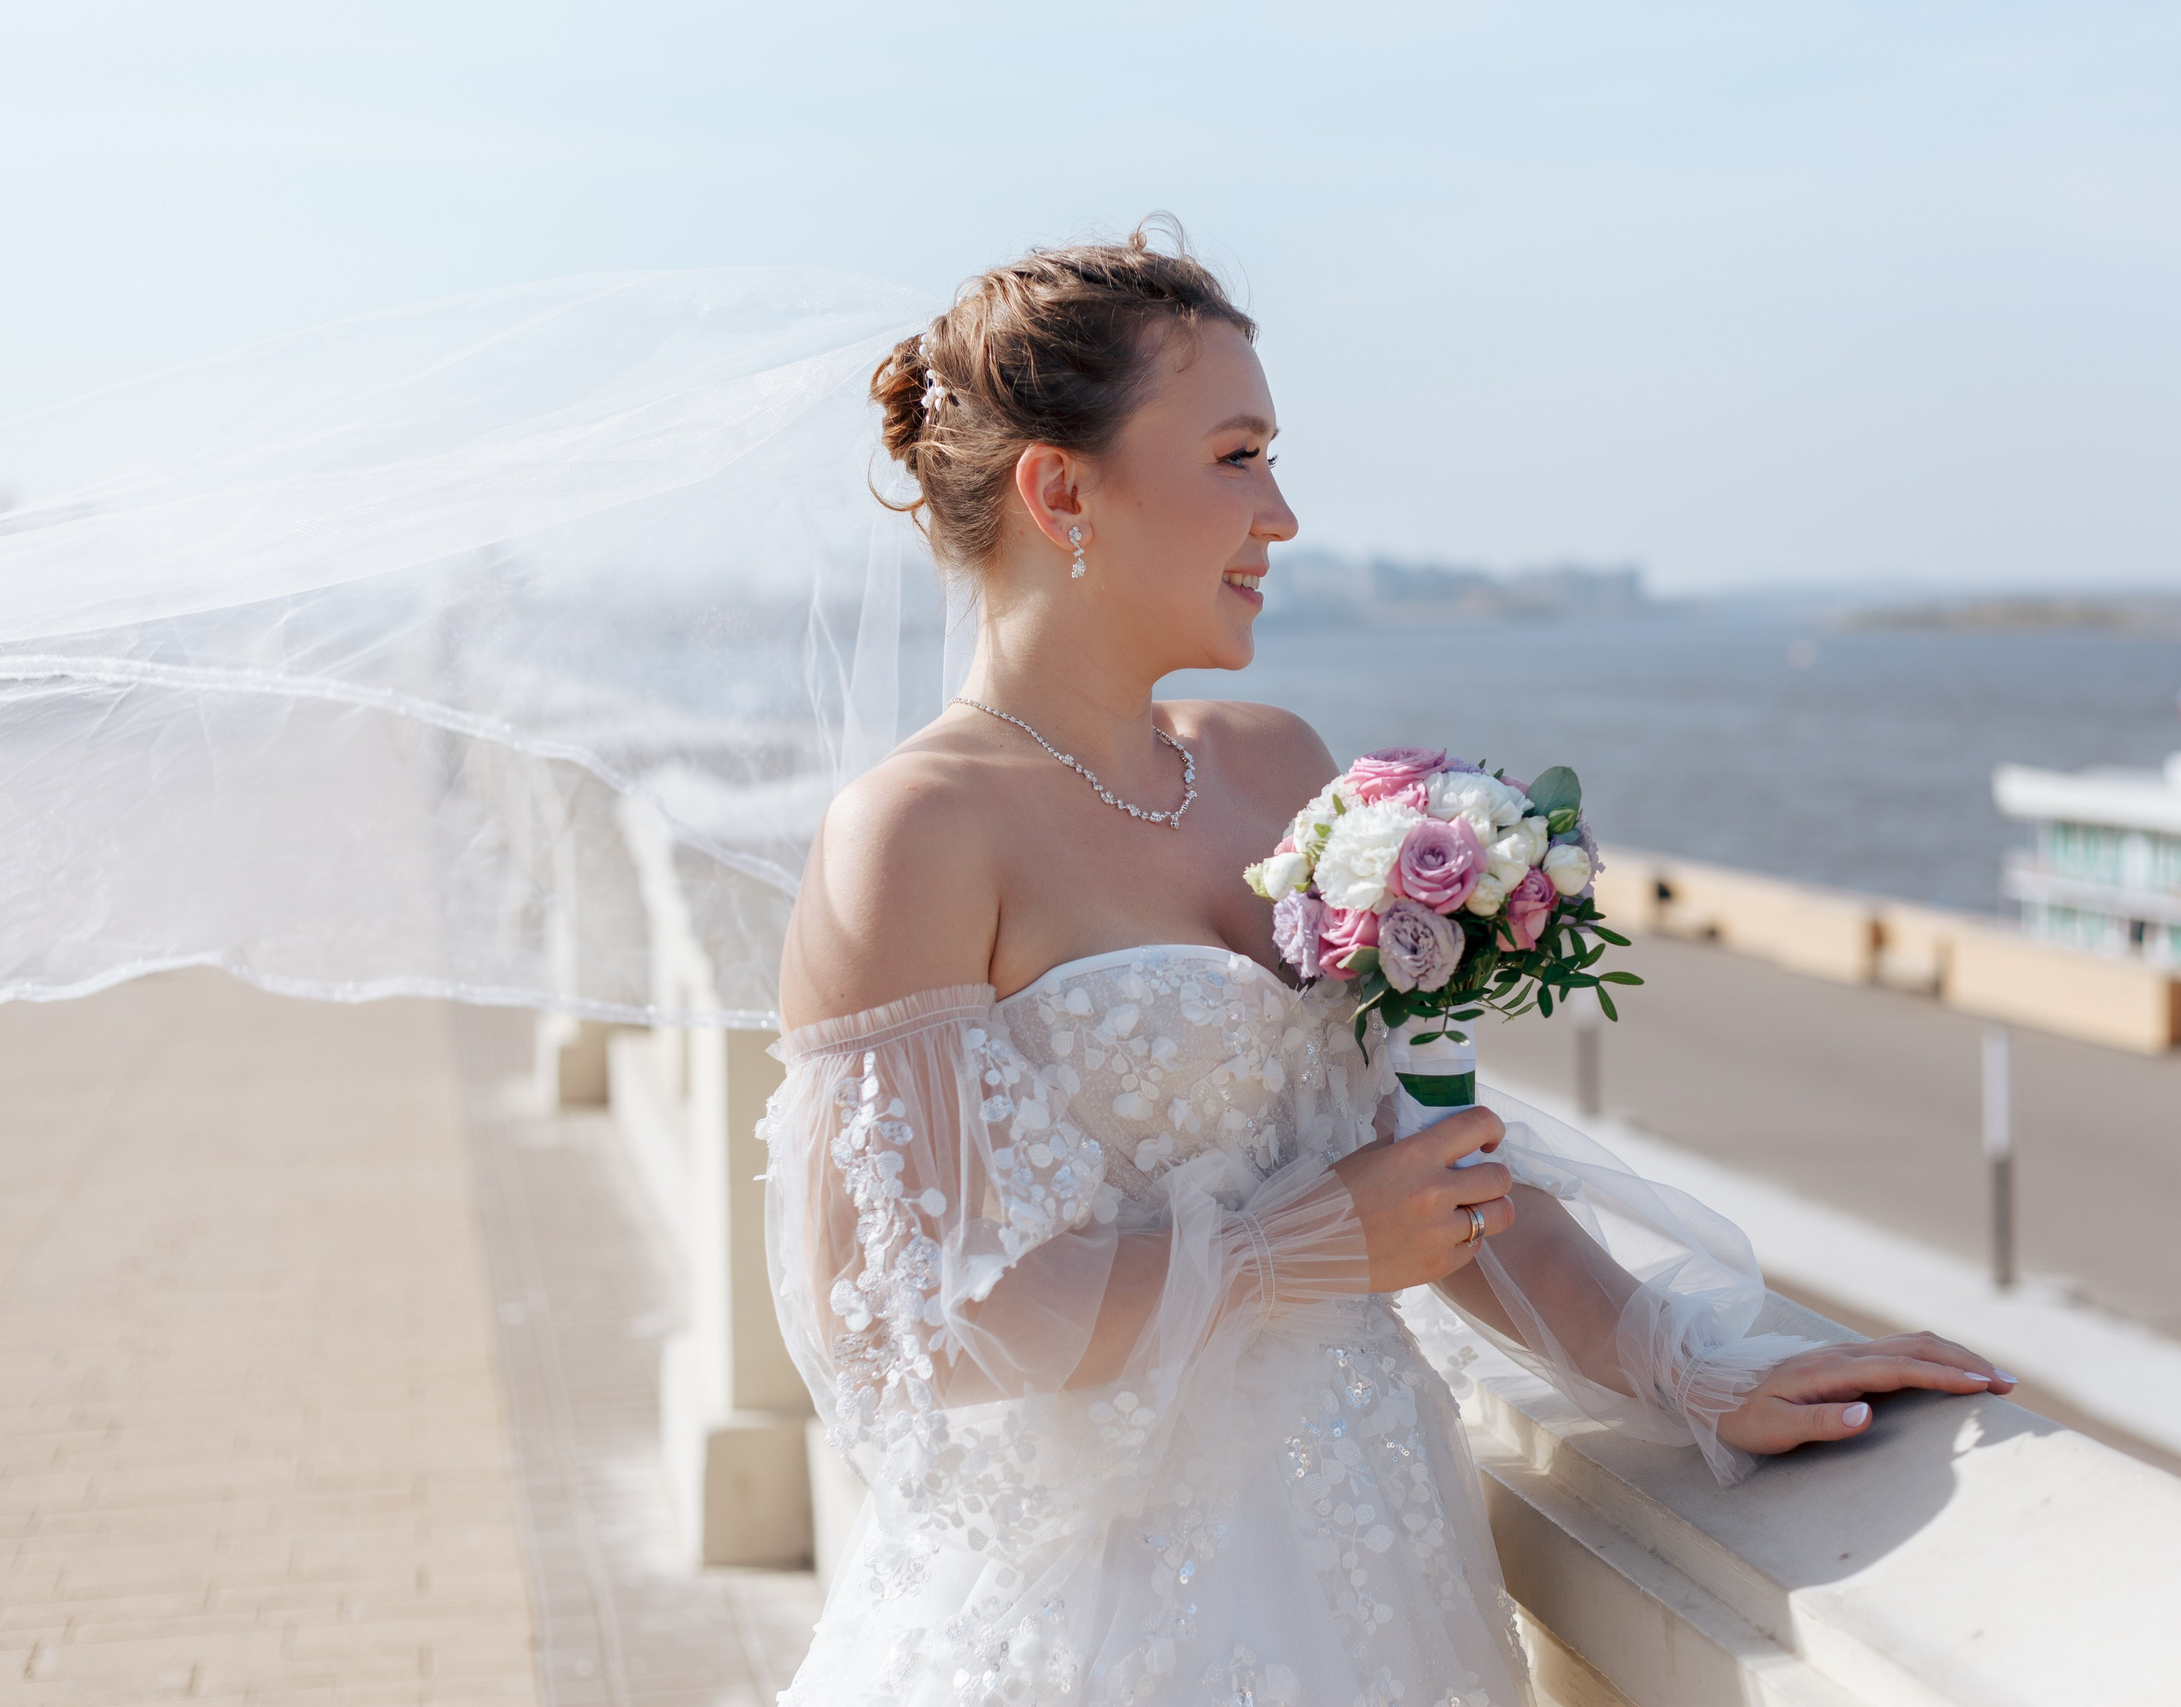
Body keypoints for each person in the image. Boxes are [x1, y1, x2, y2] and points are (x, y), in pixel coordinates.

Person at [764, 222, 2013, 1707]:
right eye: (1237, 455)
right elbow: (882, 1318)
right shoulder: (913, 832)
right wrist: (1289, 1252)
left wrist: (1688, 1369)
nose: (1281, 513)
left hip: (1380, 1543)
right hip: (1103, 1614)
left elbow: (1420, 1161)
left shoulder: (1273, 762)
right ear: (1061, 490)